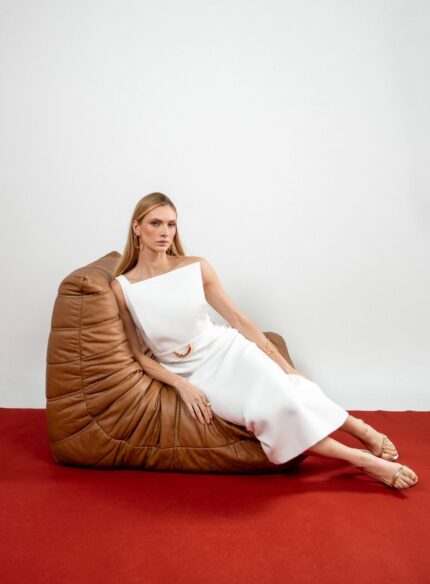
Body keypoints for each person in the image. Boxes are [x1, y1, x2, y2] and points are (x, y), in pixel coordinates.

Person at [111, 192, 418, 490]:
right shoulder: (123, 288)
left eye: (171, 224)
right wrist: (181, 384)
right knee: (268, 413)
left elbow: (238, 319)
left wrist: (286, 367)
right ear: (136, 226)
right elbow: (139, 355)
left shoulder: (195, 267)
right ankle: (360, 460)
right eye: (155, 223)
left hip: (225, 350)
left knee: (289, 389)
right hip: (191, 373)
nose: (165, 232)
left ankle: (358, 428)